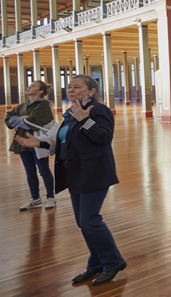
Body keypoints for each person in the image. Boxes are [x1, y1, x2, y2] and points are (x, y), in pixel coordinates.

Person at [16, 75, 127, 286]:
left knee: (89, 220)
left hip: (95, 172)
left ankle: (113, 262)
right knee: (82, 222)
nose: (71, 90)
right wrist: (38, 142)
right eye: (69, 87)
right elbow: (64, 142)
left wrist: (85, 119)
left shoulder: (97, 110)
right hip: (75, 173)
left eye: (77, 87)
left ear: (91, 91)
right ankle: (96, 262)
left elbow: (104, 137)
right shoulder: (70, 112)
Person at [6, 81, 56, 210]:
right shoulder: (23, 105)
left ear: (40, 91)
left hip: (38, 141)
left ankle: (51, 197)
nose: (28, 87)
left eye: (33, 86)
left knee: (44, 170)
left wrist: (22, 120)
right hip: (23, 142)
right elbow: (9, 119)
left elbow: (32, 122)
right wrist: (22, 119)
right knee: (30, 172)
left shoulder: (44, 104)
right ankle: (35, 199)